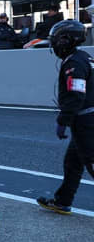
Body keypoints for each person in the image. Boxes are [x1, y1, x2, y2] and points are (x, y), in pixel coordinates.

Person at [37, 20, 93, 215]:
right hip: (86, 120)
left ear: (66, 40)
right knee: (73, 162)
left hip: (87, 122)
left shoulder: (74, 63)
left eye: (56, 40)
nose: (54, 45)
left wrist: (63, 121)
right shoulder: (84, 57)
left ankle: (63, 201)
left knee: (91, 162)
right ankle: (63, 201)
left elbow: (76, 95)